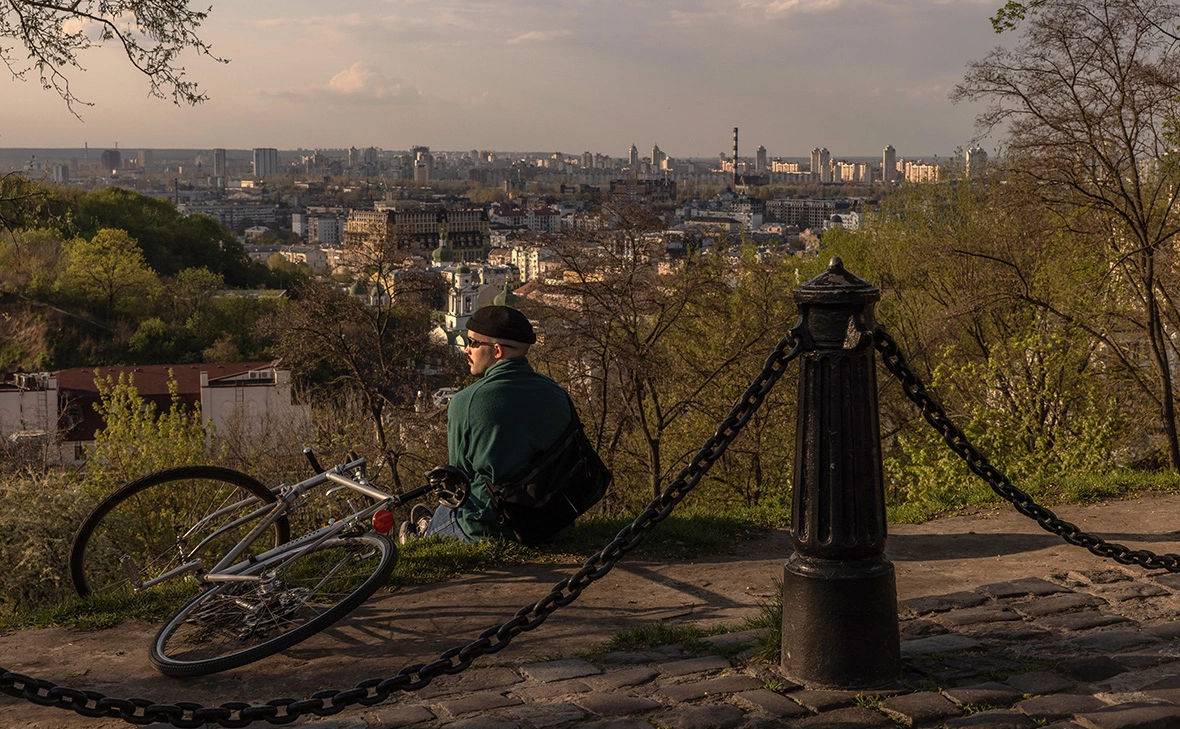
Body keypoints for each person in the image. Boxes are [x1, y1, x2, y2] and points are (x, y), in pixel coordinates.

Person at [408, 305, 572, 543]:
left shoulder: (466, 402)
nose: (466, 349)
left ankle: (422, 533)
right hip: (554, 520)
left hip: (494, 526)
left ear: (497, 350)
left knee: (446, 513)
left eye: (473, 343)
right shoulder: (557, 393)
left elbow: (459, 479)